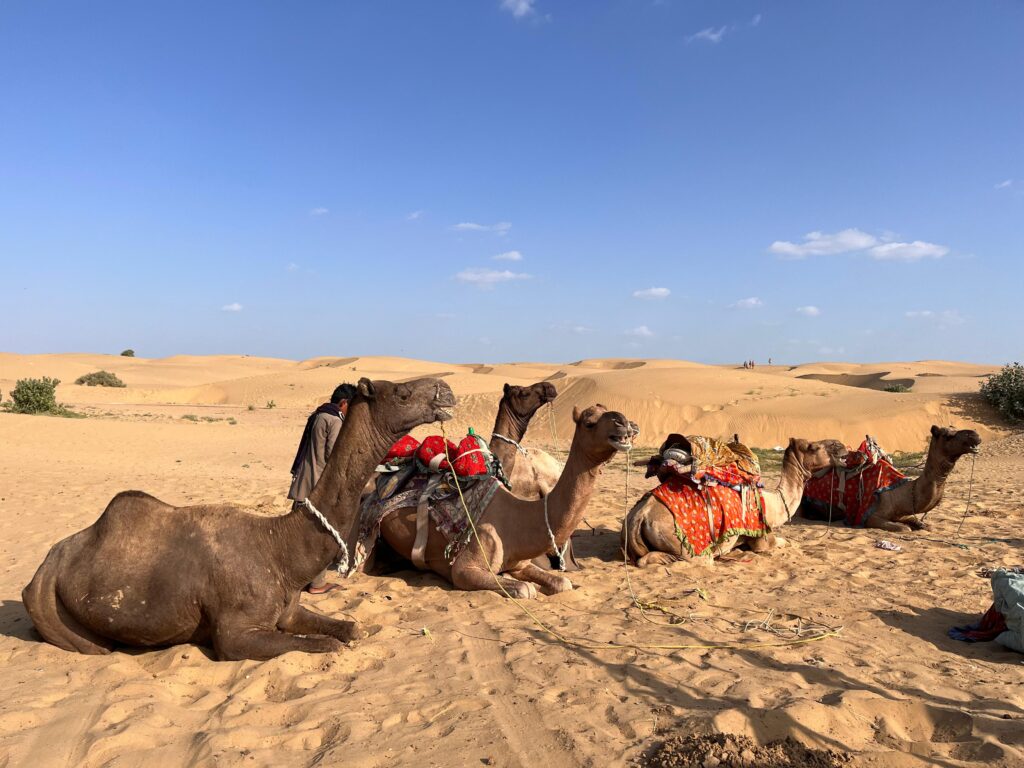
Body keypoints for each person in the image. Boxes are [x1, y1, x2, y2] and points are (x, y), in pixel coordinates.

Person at [288, 382, 358, 594]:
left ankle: (295, 578)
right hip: (318, 485)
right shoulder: (334, 419)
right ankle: (317, 584)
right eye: (350, 407)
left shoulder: (318, 415)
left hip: (304, 481)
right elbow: (334, 455)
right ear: (344, 402)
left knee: (298, 534)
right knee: (320, 535)